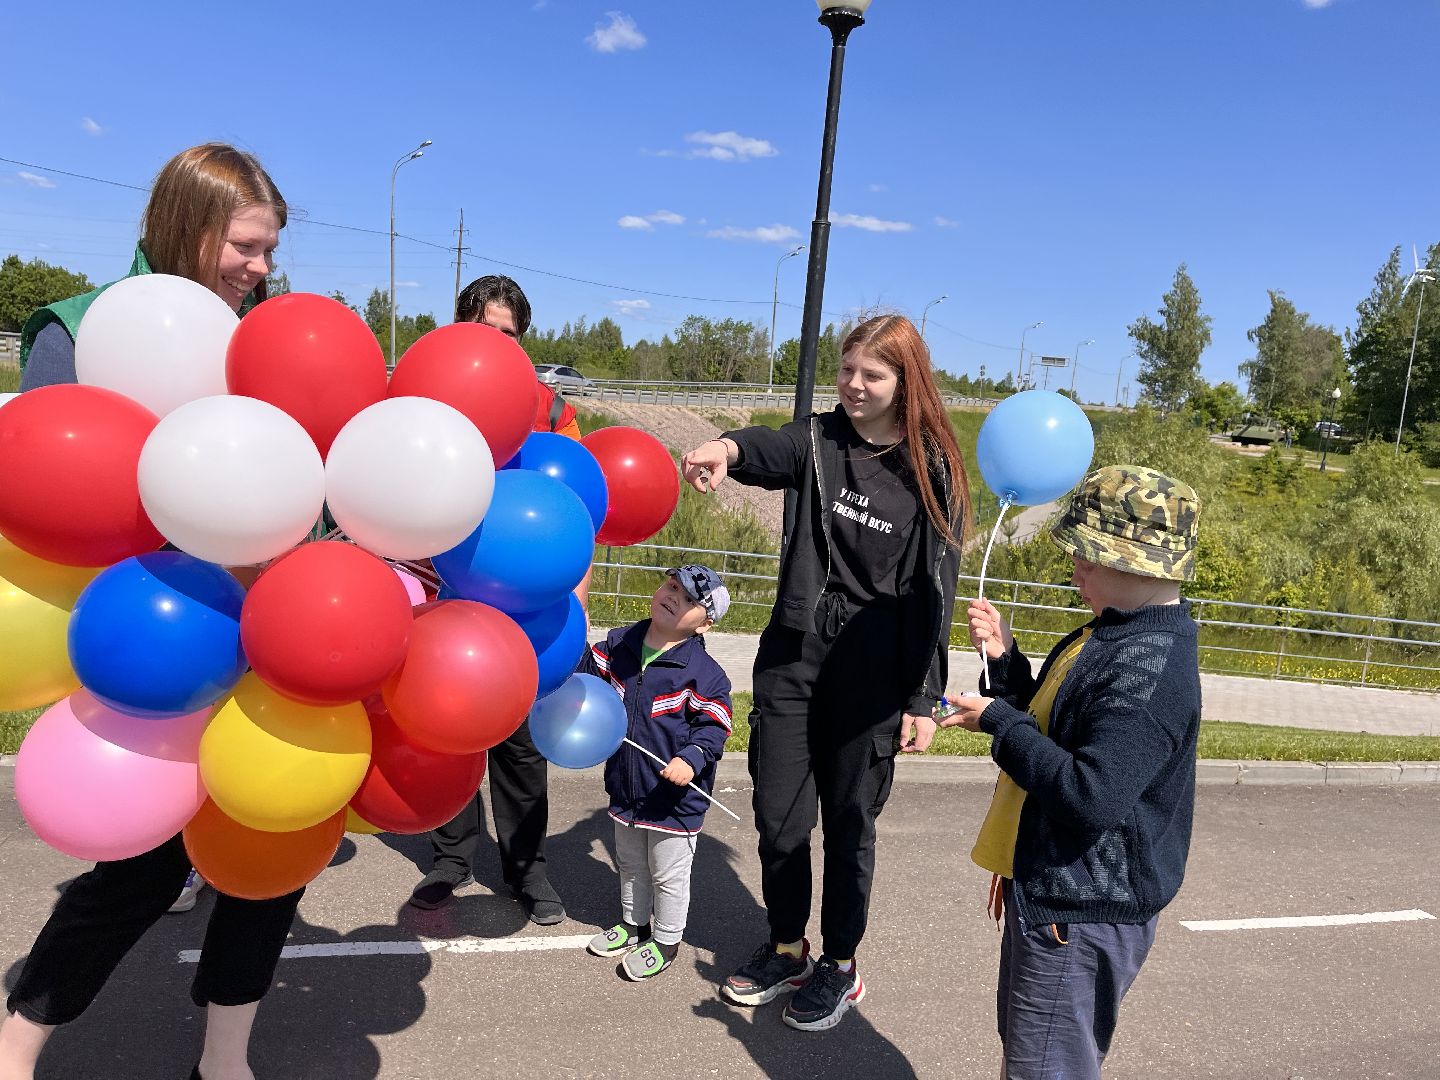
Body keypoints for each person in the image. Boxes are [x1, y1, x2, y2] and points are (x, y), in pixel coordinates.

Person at [2, 144, 290, 1080]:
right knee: (139, 870)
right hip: (143, 642)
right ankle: (16, 1046)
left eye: (269, 252)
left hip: (261, 633)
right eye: (245, 247)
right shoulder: (79, 331)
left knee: (266, 846)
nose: (259, 270)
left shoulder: (267, 339)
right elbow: (47, 493)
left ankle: (226, 1057)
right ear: (187, 226)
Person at [680, 314, 971, 1032]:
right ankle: (787, 949)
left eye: (871, 374)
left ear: (907, 384)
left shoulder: (933, 472)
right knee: (779, 820)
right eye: (846, 370)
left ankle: (840, 965)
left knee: (848, 828)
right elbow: (768, 448)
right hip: (796, 654)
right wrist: (722, 447)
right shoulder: (819, 437)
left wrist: (924, 699)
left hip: (874, 671)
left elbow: (938, 596)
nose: (853, 384)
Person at [938, 465, 1203, 1080]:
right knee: (1034, 1052)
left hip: (1081, 913)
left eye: (1086, 555)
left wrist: (1001, 724)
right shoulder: (1115, 631)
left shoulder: (1147, 668)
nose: (1076, 568)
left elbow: (1090, 794)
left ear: (1137, 564)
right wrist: (1006, 662)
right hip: (1058, 894)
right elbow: (1057, 723)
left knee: (1047, 1065)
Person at [407, 274, 582, 923]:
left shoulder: (550, 409)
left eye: (509, 334)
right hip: (445, 594)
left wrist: (574, 607)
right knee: (449, 732)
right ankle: (451, 859)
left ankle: (527, 871)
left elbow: (574, 516)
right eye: (486, 330)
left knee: (518, 745)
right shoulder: (428, 398)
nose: (498, 344)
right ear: (461, 326)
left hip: (524, 603)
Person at [580, 564, 733, 980]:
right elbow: (586, 677)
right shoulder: (618, 645)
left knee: (667, 875)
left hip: (674, 801)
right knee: (630, 865)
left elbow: (715, 726)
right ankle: (634, 925)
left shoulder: (705, 675)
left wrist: (691, 759)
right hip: (626, 788)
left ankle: (665, 941)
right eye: (671, 586)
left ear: (705, 624)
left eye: (688, 600)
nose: (673, 597)